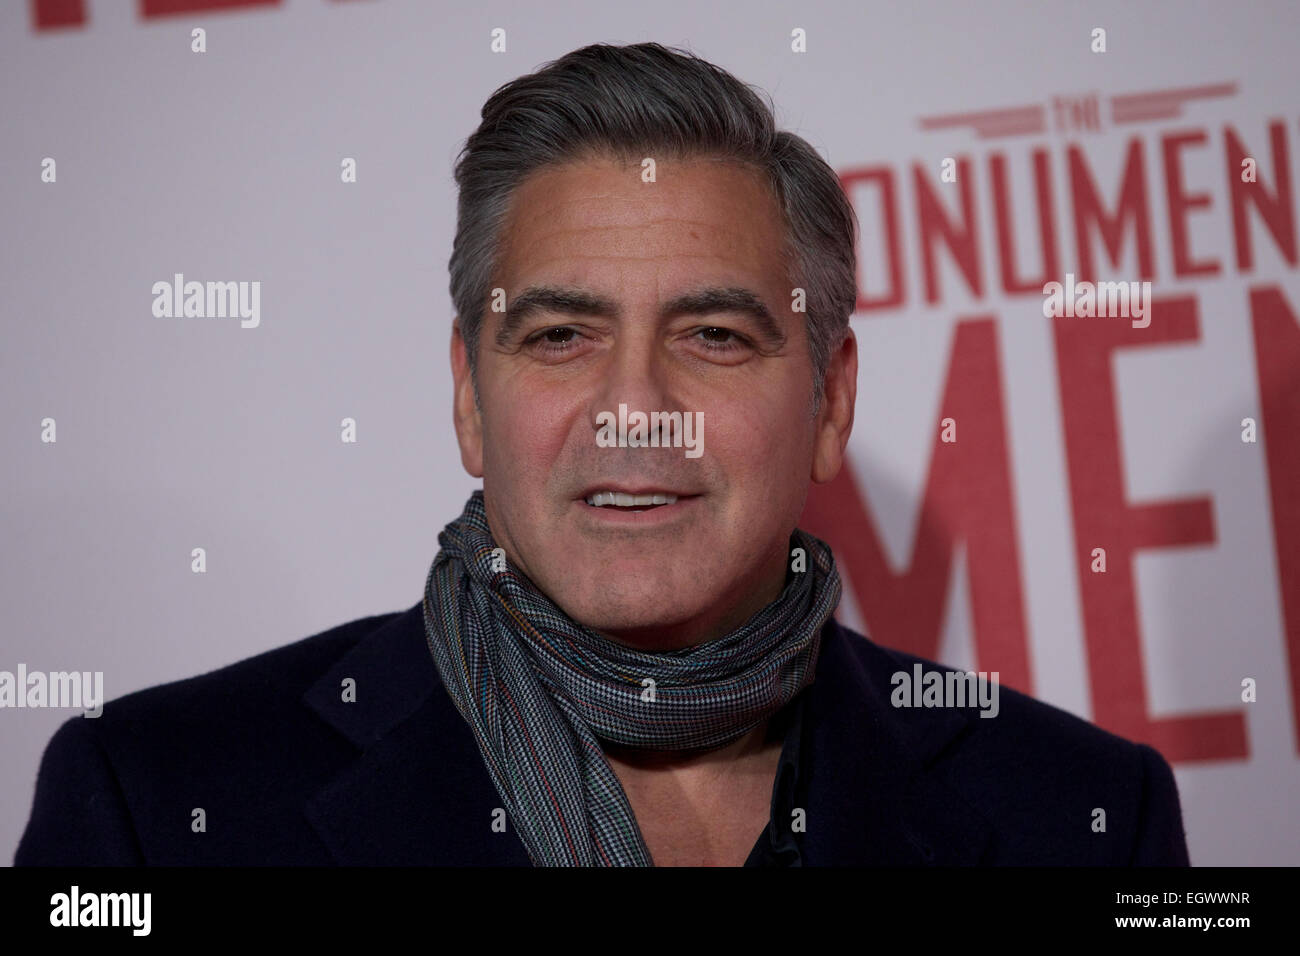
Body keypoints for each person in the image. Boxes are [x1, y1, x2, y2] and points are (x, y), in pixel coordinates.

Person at [15, 42, 1189, 867]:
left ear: (830, 399)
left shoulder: (1081, 812)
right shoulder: (160, 804)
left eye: (716, 336)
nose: (633, 409)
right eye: (561, 334)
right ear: (469, 396)